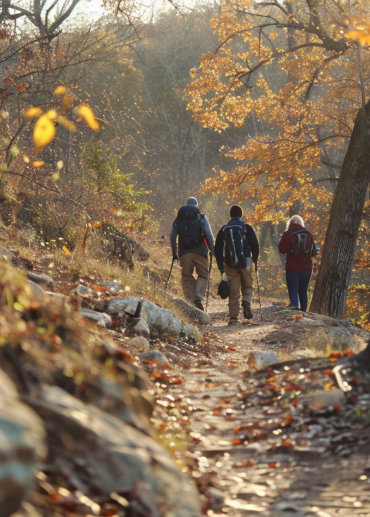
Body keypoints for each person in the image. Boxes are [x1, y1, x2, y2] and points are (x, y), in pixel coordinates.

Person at [215, 205, 259, 324]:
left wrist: (221, 265)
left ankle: (233, 318)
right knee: (248, 285)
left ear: (231, 215)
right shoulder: (246, 227)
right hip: (246, 261)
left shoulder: (224, 229)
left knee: (233, 291)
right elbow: (255, 244)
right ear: (241, 214)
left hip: (230, 264)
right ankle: (246, 301)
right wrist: (254, 259)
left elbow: (217, 249)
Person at [170, 197, 215, 311]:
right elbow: (208, 234)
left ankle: (190, 302)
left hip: (184, 252)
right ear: (196, 205)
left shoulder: (178, 219)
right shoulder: (201, 217)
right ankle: (198, 297)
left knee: (186, 276)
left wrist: (174, 252)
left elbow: (172, 235)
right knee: (203, 275)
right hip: (200, 251)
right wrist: (212, 249)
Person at [278, 215, 317, 312]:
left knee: (293, 290)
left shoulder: (287, 234)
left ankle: (294, 312)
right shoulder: (308, 234)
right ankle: (303, 313)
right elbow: (314, 252)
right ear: (301, 223)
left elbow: (281, 249)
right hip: (307, 268)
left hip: (292, 268)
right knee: (303, 291)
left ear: (290, 224)